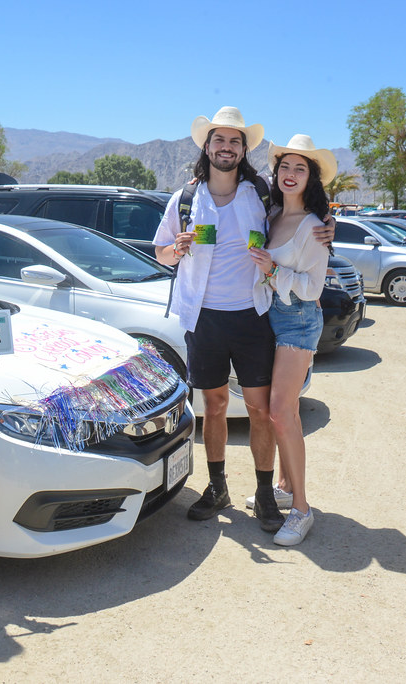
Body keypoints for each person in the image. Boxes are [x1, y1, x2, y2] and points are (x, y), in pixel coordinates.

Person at [153, 107, 333, 533]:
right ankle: (217, 488)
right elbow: (159, 253)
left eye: (235, 141)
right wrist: (174, 250)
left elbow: (299, 211)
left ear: (243, 150)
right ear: (207, 146)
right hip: (203, 319)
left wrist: (329, 223)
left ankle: (267, 492)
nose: (227, 147)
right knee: (212, 407)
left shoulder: (260, 195)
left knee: (258, 410)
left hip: (253, 317)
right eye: (220, 140)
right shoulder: (183, 200)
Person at [248, 135, 335, 546]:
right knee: (286, 412)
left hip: (298, 321)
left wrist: (270, 269)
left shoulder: (314, 228)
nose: (290, 174)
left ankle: (301, 509)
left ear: (310, 178)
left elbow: (312, 287)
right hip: (272, 318)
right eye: (285, 166)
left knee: (280, 413)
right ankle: (283, 485)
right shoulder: (272, 215)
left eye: (300, 169)